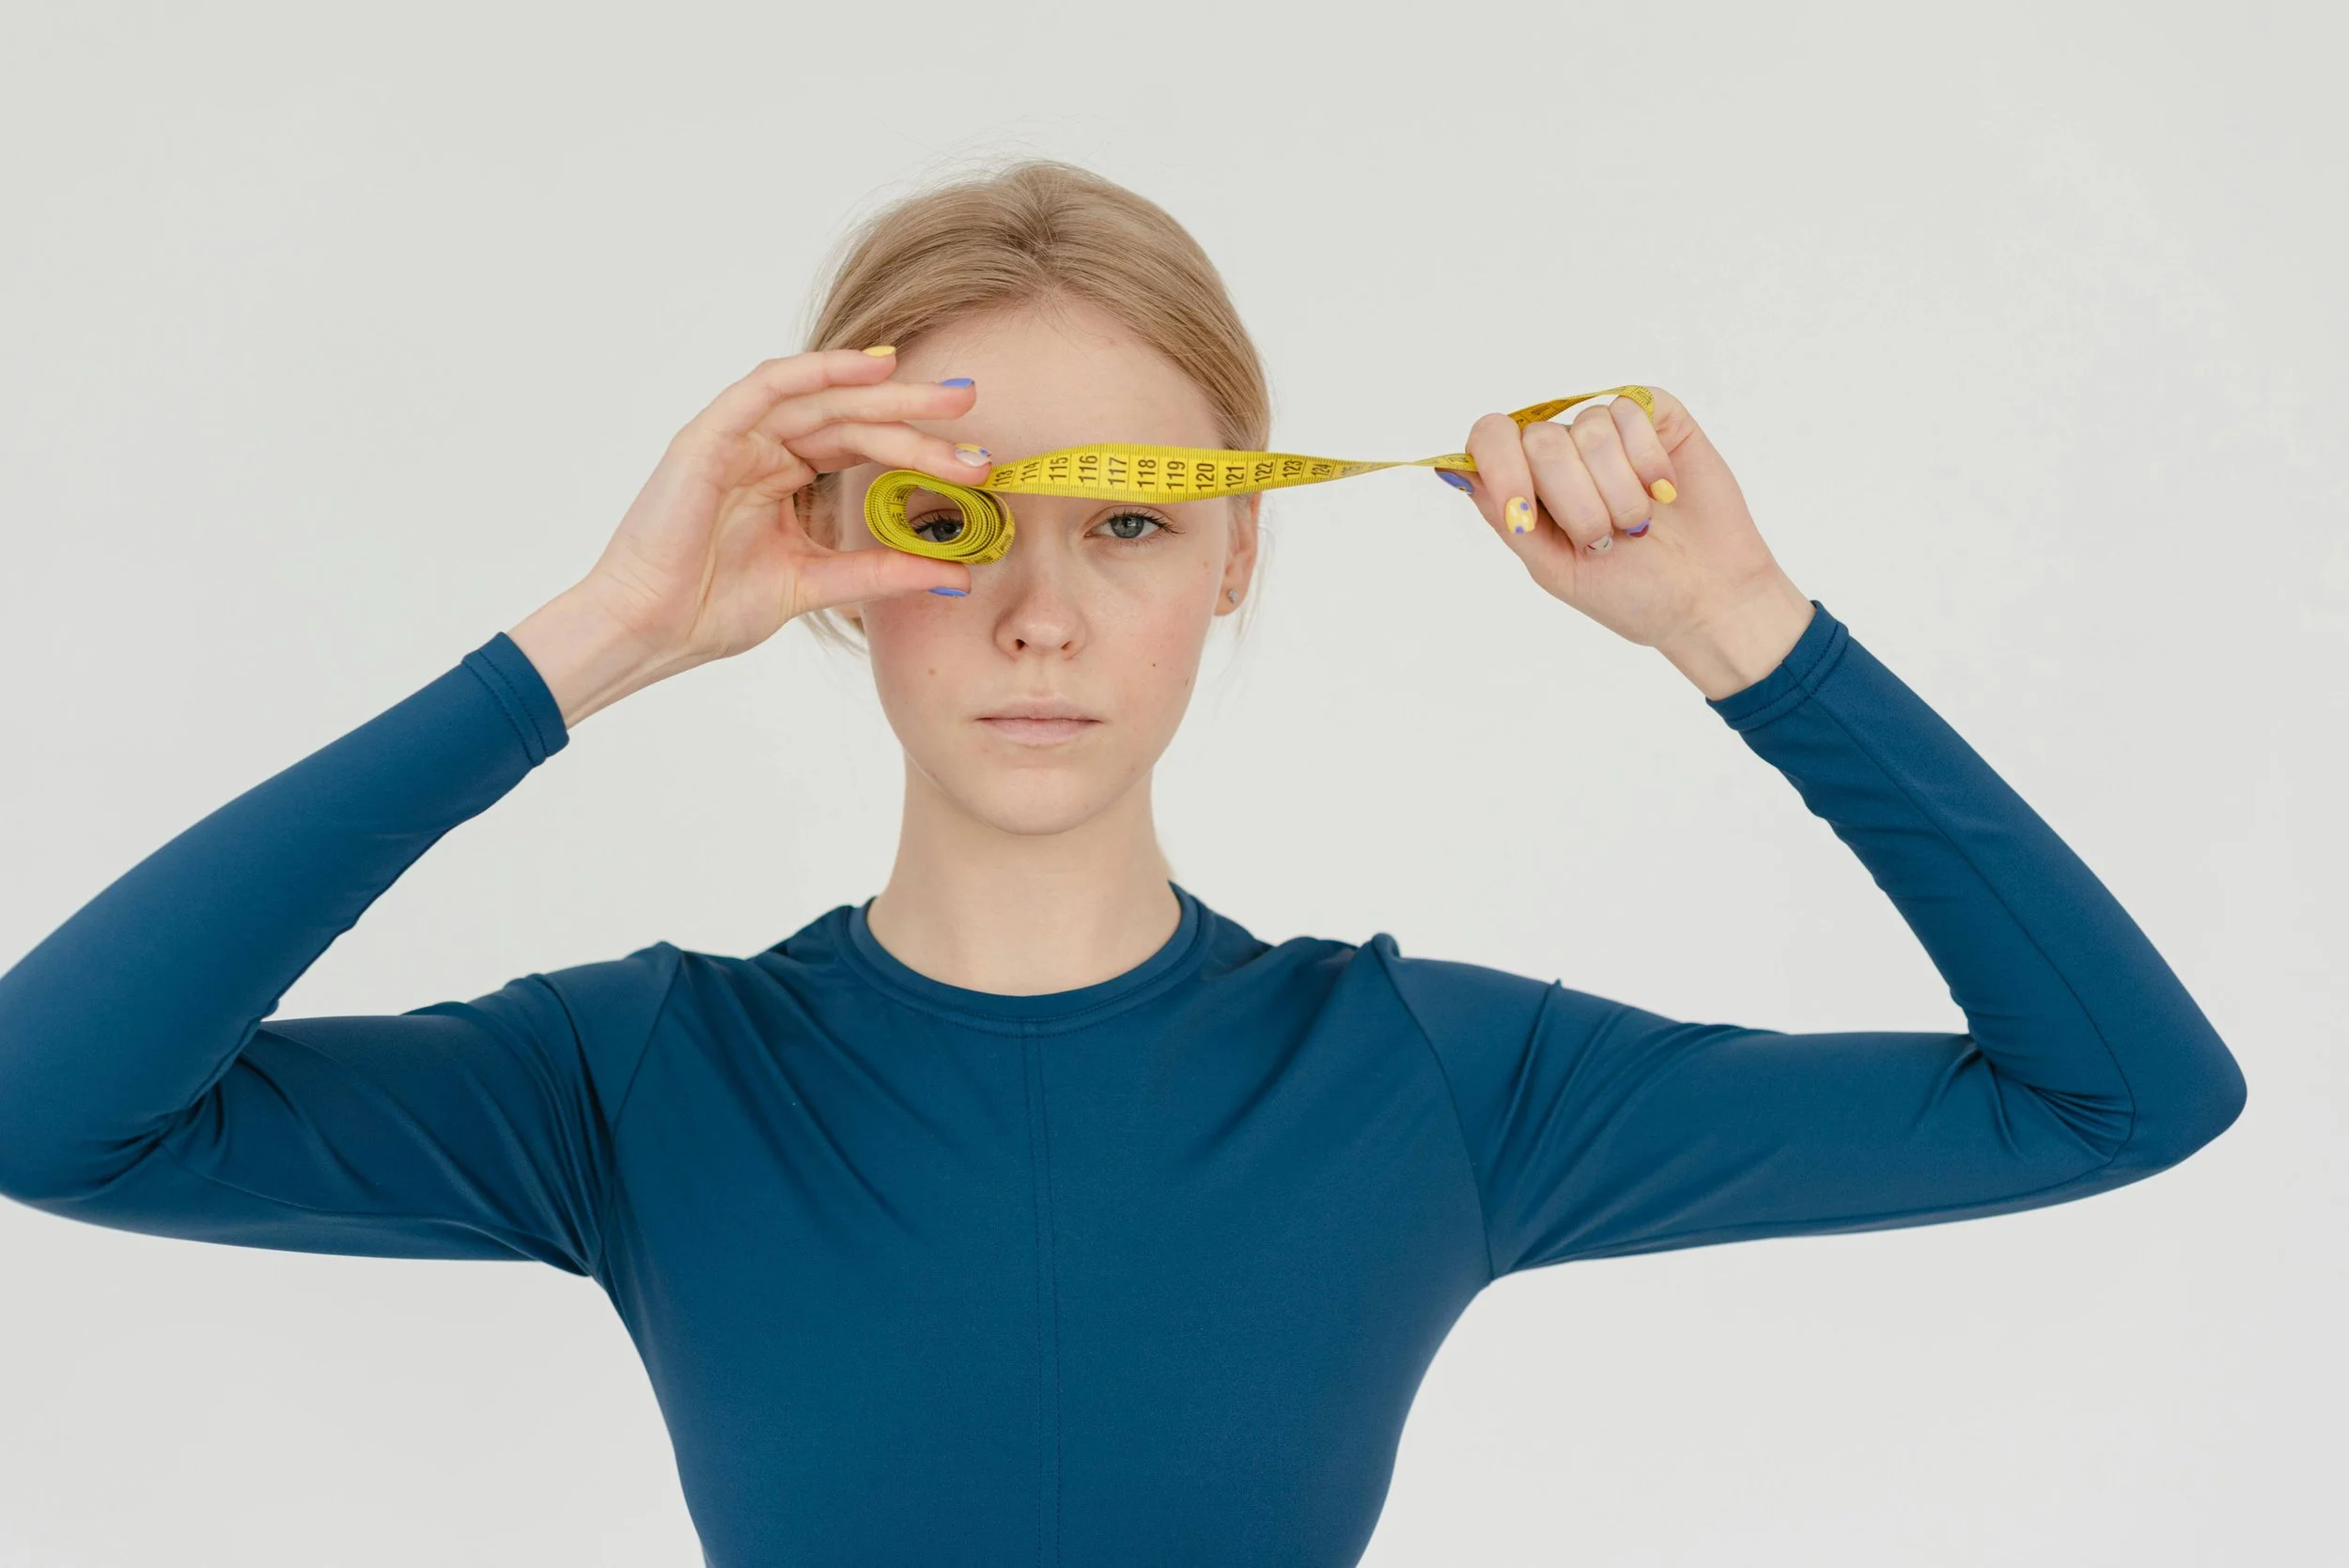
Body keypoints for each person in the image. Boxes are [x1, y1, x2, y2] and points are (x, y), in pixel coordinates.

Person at [0, 160, 2247, 1568]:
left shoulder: (1431, 1082)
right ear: (833, 560)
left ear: (1238, 554)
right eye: (952, 524)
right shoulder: (643, 1086)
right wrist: (594, 639)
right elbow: (49, 1104)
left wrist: (1733, 634)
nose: (1038, 614)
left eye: (1132, 522)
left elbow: (2121, 1097)